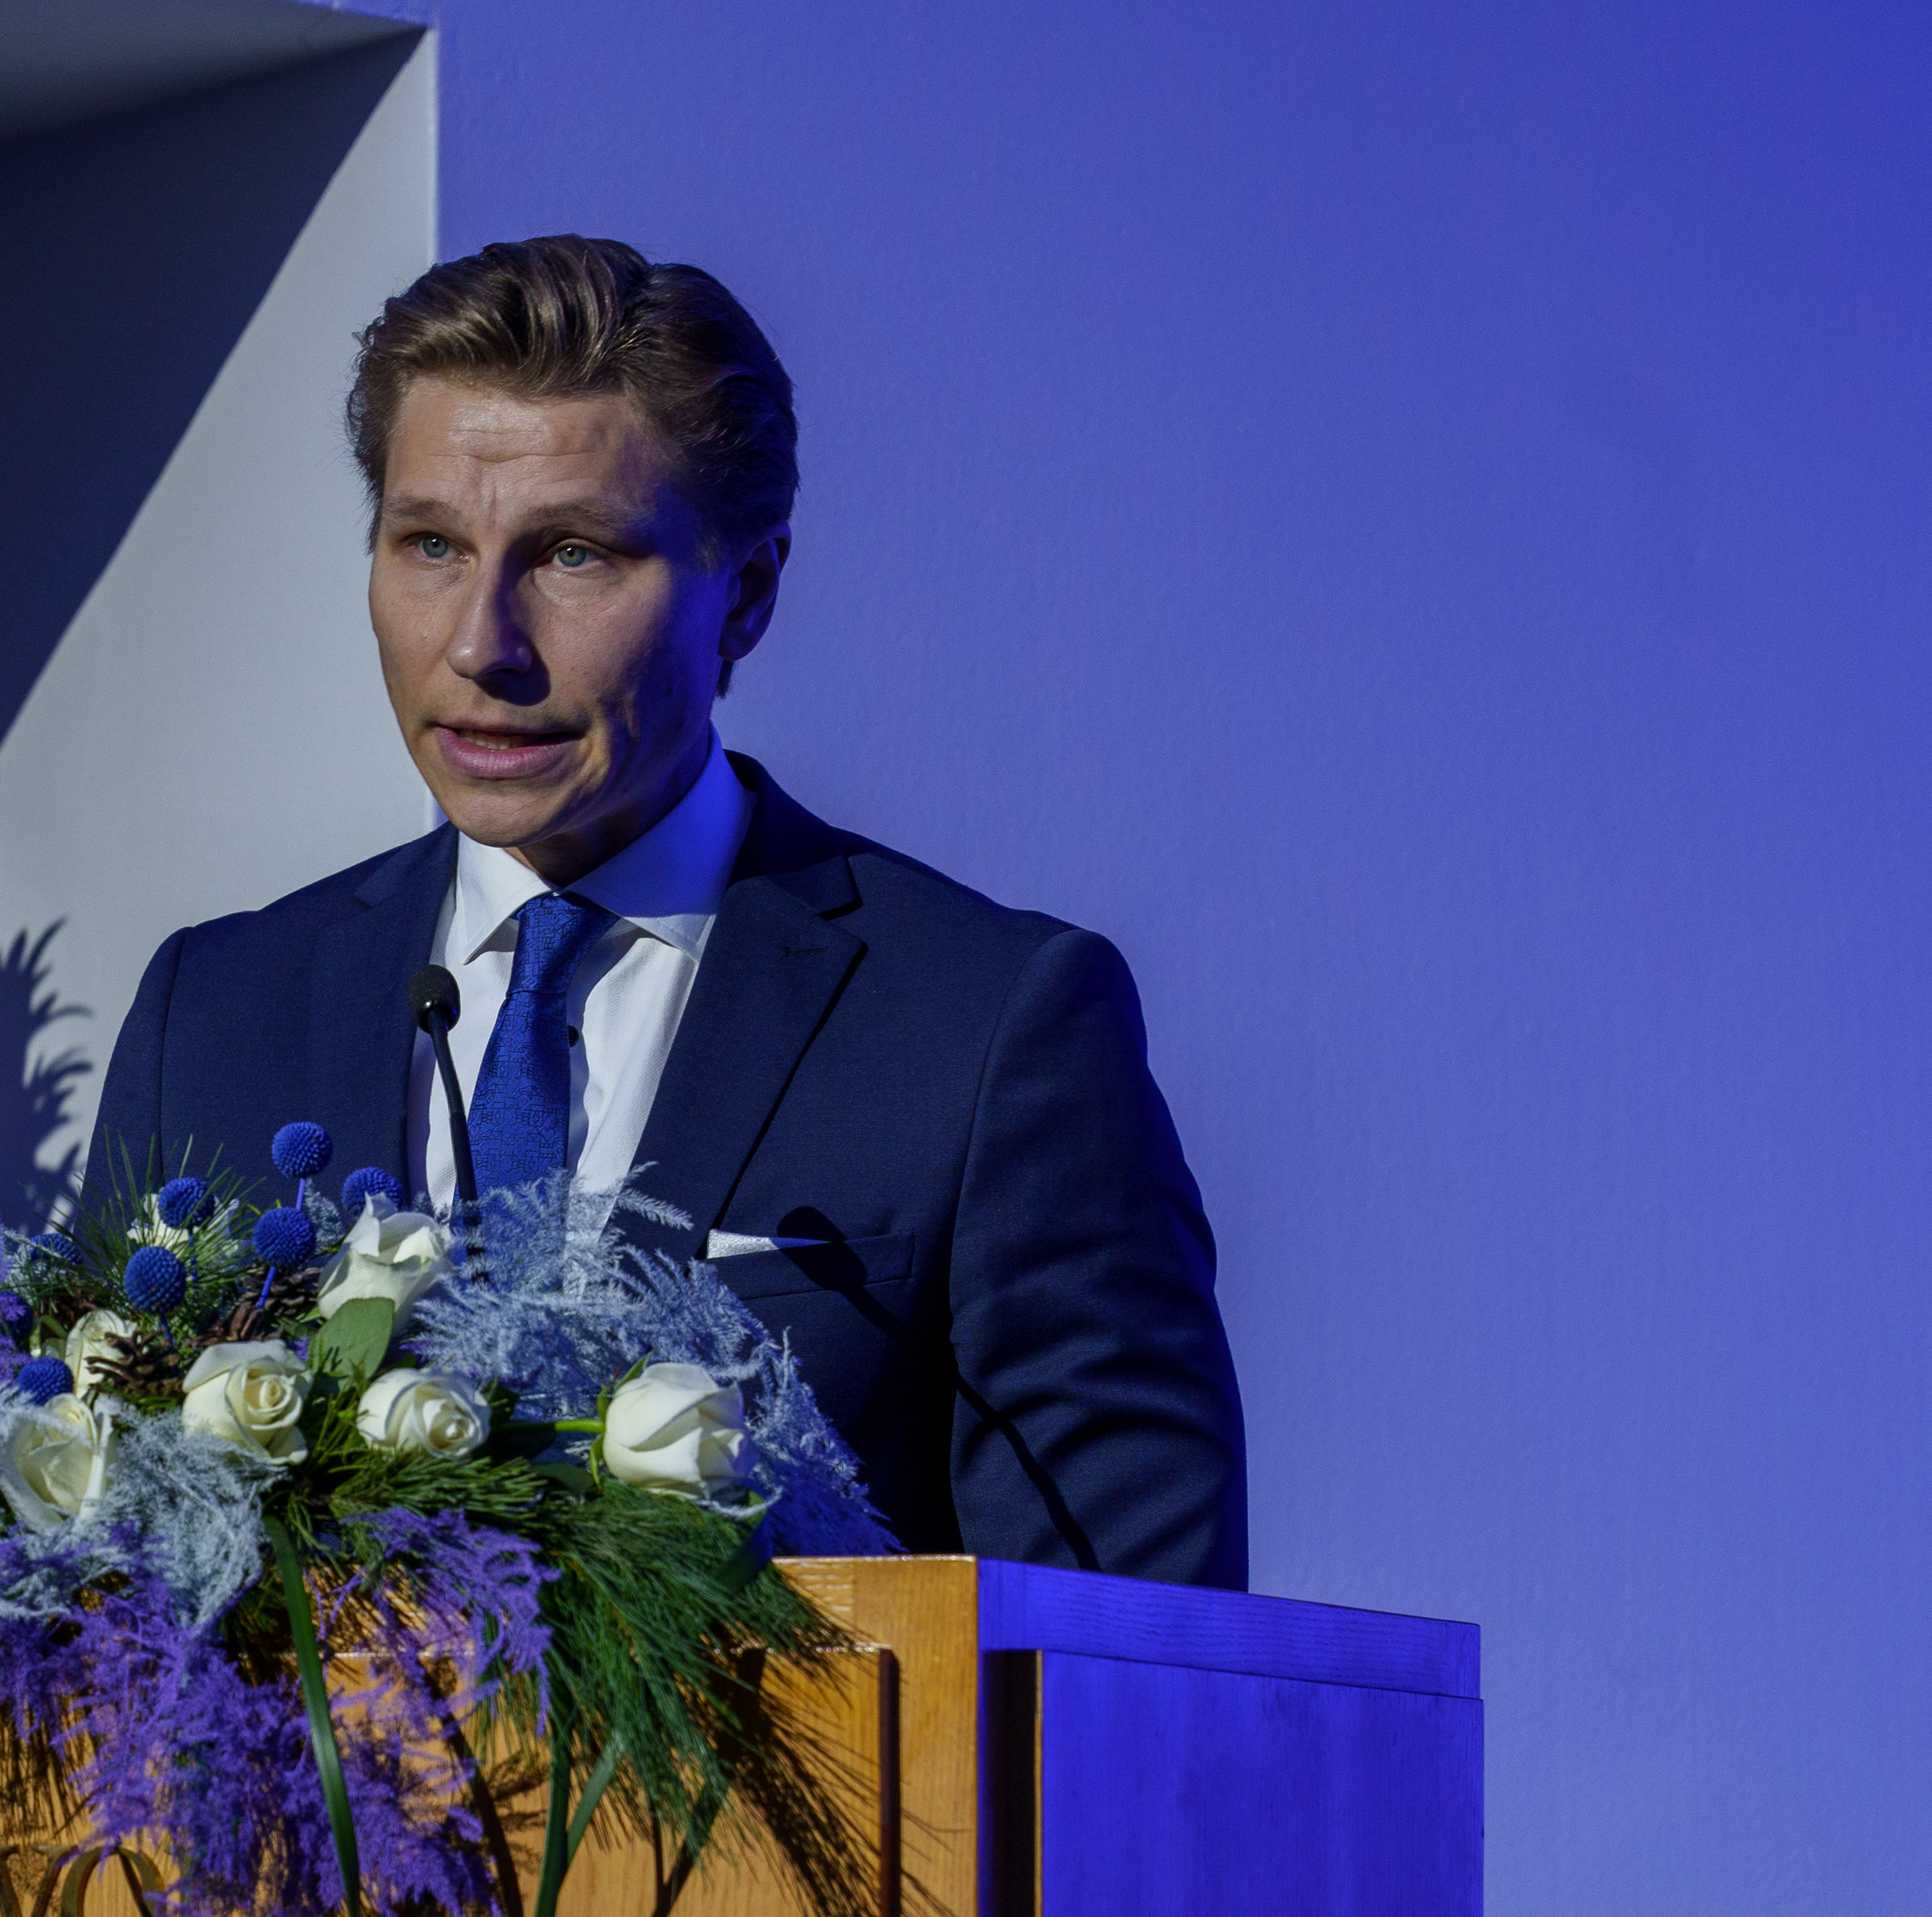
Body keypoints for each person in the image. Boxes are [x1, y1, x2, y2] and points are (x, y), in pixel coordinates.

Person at [86, 236, 1248, 1587]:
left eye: (572, 555)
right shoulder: (211, 1012)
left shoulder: (990, 1028)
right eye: (429, 545)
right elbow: (84, 1571)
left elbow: (1130, 1641)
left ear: (745, 593)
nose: (478, 644)